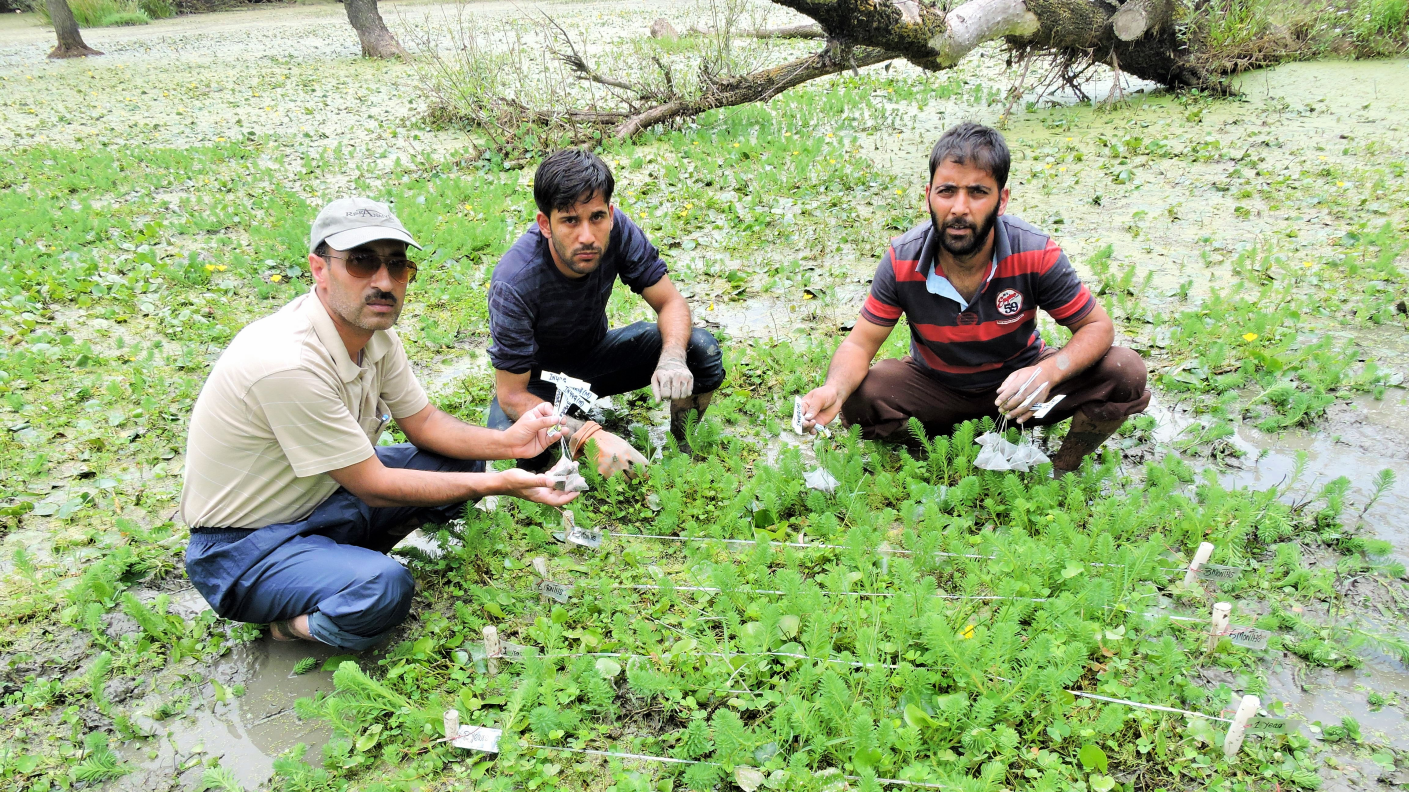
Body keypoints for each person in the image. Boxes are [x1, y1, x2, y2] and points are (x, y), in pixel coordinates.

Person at [180, 197, 578, 651]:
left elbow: (424, 422)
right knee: (383, 588)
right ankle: (289, 622)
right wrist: (499, 484)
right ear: (319, 269)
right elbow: (372, 484)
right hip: (243, 549)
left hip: (322, 497)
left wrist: (508, 444)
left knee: (462, 463)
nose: (384, 281)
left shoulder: (376, 337)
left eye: (397, 265)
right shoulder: (287, 363)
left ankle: (340, 564)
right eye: (361, 262)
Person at [800, 123, 1149, 472]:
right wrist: (834, 390)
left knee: (1124, 370)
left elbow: (1097, 327)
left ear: (1002, 200)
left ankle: (1063, 468)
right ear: (928, 196)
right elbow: (860, 346)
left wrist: (1047, 373)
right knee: (861, 397)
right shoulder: (901, 259)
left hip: (1021, 394)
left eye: (978, 192)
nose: (959, 208)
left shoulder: (1036, 252)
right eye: (947, 191)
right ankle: (932, 452)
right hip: (936, 389)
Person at [486, 149, 725, 473]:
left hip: (597, 358)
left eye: (596, 217)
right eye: (570, 220)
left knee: (700, 350)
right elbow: (512, 395)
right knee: (510, 440)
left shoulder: (619, 232)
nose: (587, 236)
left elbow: (671, 302)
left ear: (610, 214)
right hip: (538, 383)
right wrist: (589, 437)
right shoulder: (514, 281)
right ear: (545, 224)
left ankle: (683, 445)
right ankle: (566, 445)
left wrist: (672, 357)